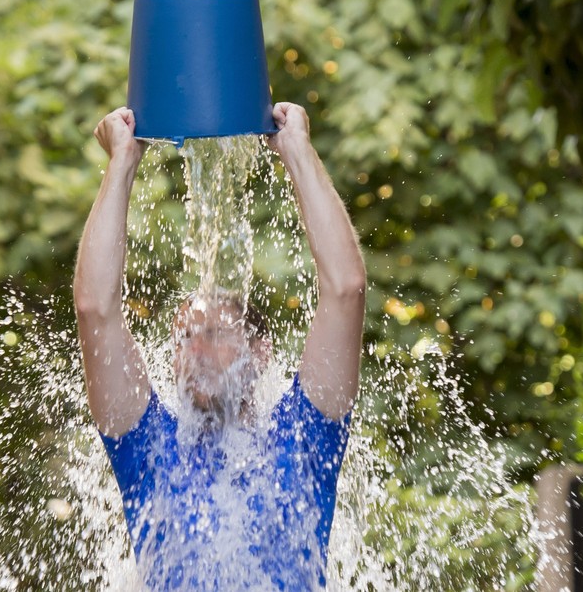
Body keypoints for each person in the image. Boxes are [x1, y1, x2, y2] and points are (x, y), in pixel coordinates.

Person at [73, 103, 366, 590]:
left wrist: (296, 149)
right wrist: (121, 163)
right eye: (185, 337)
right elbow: (94, 310)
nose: (196, 352)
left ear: (261, 352)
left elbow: (346, 288)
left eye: (216, 335)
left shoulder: (305, 437)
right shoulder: (148, 451)